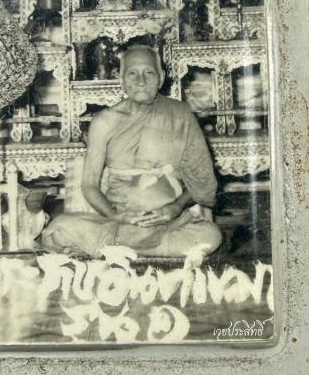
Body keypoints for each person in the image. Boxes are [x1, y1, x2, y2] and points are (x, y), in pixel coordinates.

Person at [41, 45, 223, 258]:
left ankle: (120, 251)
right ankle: (144, 250)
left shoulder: (180, 114)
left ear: (161, 78)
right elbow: (89, 186)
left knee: (211, 236)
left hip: (169, 222)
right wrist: (116, 216)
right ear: (121, 79)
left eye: (149, 73)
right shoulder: (104, 122)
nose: (141, 81)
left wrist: (175, 208)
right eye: (132, 73)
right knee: (58, 230)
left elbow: (201, 182)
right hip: (119, 223)